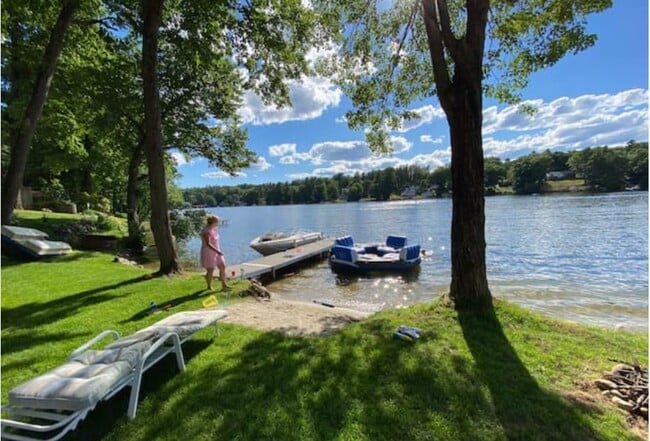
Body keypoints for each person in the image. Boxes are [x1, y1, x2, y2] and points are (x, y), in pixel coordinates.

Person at [200, 215, 230, 291]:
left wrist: (218, 250)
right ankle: (209, 286)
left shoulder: (214, 229)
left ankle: (224, 285)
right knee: (210, 270)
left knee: (222, 266)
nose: (219, 222)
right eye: (217, 221)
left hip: (216, 250)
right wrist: (218, 251)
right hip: (209, 252)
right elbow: (208, 244)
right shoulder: (206, 231)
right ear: (213, 222)